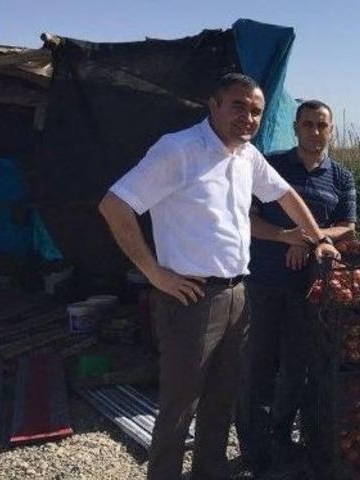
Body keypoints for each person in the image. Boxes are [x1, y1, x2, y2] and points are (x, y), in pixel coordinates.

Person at [98, 73, 339, 480]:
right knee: (180, 405)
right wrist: (154, 273)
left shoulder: (247, 156)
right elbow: (114, 206)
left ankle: (210, 472)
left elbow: (284, 195)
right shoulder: (179, 150)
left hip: (237, 293)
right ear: (214, 105)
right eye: (238, 106)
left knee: (222, 399)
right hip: (190, 297)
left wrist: (318, 240)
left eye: (257, 111)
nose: (248, 118)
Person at [237, 100, 356, 474]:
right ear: (296, 128)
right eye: (308, 124)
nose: (315, 132)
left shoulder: (340, 176)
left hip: (312, 288)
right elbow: (247, 220)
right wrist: (285, 237)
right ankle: (254, 448)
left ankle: (281, 438)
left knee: (295, 365)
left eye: (322, 125)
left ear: (331, 129)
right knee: (258, 363)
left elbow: (348, 228)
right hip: (265, 280)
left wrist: (307, 240)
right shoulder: (270, 164)